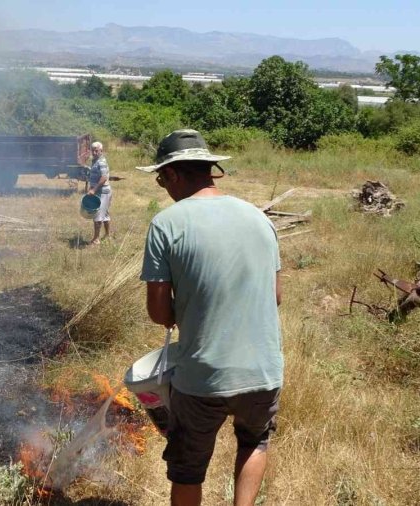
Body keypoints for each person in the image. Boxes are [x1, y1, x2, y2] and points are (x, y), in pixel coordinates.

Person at [137, 130, 283, 506]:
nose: (163, 187)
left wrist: (186, 306)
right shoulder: (259, 218)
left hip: (203, 376)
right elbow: (276, 297)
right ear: (209, 170)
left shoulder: (166, 224)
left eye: (161, 179)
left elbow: (159, 313)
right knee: (254, 442)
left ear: (172, 174)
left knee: (188, 467)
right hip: (263, 372)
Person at [87, 141, 112, 245]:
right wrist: (91, 187)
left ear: (101, 150)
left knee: (97, 215)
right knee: (105, 214)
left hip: (103, 192)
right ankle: (107, 235)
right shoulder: (95, 160)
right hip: (99, 191)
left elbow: (103, 177)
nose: (94, 152)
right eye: (92, 150)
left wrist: (94, 189)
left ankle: (96, 239)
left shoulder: (101, 162)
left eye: (96, 150)